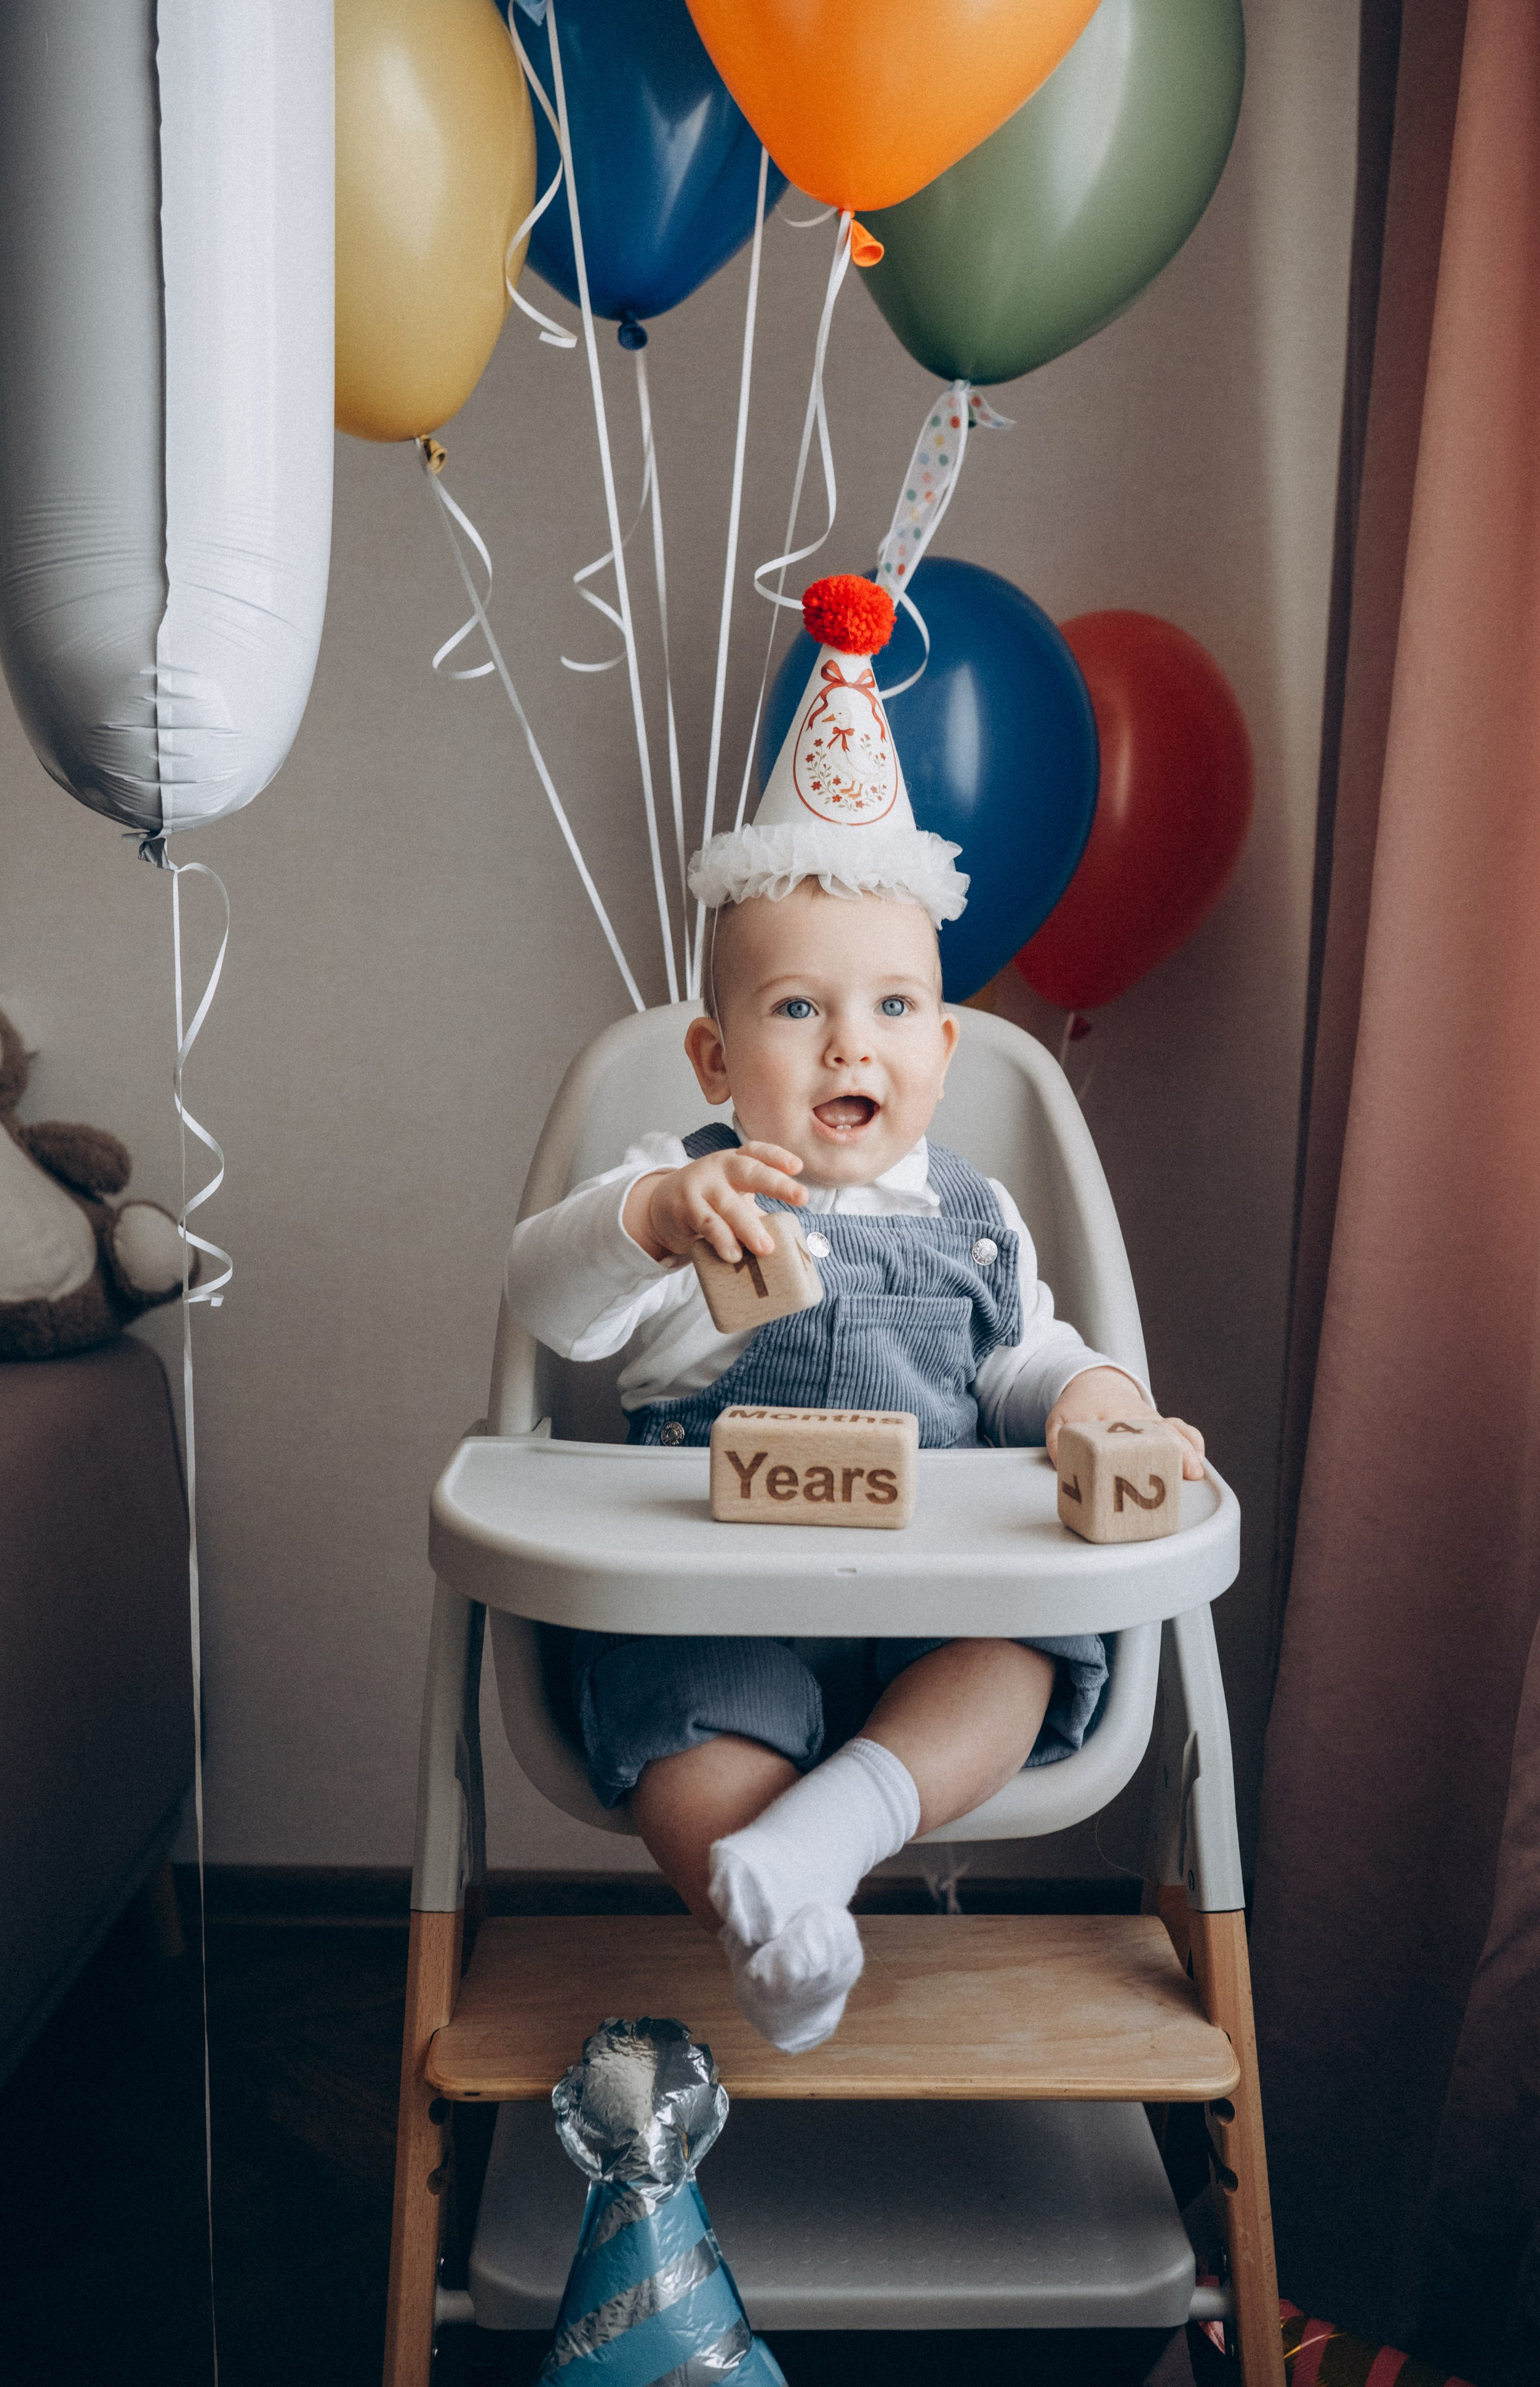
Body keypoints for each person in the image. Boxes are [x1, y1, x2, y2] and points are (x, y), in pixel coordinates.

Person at [506, 577, 1204, 2054]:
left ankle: (820, 1844)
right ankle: (771, 1904)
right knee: (689, 1753)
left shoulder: (976, 1214)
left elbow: (1024, 1361)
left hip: (924, 1610)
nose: (851, 1043)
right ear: (712, 1054)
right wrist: (640, 1225)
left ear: (944, 1049)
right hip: (723, 1599)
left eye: (893, 1009)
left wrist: (1097, 1409)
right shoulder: (686, 1189)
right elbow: (549, 1305)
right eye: (797, 1010)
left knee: (1015, 1670)